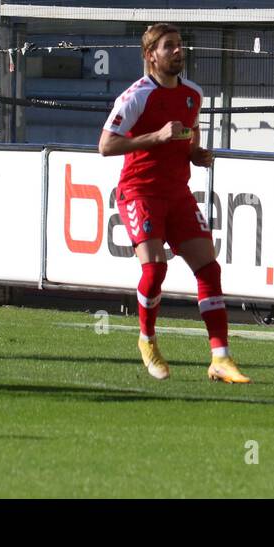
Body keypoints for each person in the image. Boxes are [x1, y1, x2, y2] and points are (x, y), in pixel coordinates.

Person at [99, 23, 250, 384]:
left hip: (177, 193)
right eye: (169, 47)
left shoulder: (193, 94)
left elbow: (188, 133)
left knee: (209, 269)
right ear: (151, 55)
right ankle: (147, 339)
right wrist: (157, 136)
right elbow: (105, 145)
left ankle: (220, 358)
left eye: (180, 45)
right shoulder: (135, 96)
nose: (178, 51)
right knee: (155, 270)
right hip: (140, 192)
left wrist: (195, 153)